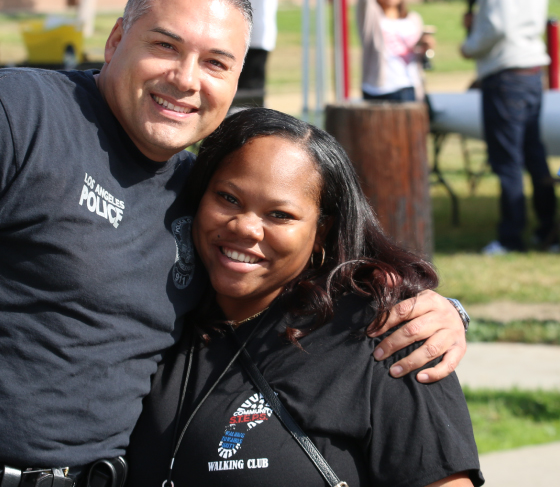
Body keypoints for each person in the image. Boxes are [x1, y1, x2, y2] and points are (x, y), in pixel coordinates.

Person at [0, 0, 468, 487]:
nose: (186, 78)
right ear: (117, 38)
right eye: (165, 46)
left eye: (216, 63)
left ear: (236, 81)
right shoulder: (14, 113)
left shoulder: (201, 198)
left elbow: (293, 278)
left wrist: (437, 310)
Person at [127, 108, 482, 487]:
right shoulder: (154, 314)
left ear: (321, 232)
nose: (246, 227)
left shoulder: (387, 334)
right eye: (228, 198)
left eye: (279, 214)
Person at [460, 0, 557, 255]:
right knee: (534, 155)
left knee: (507, 160)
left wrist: (470, 46)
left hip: (506, 73)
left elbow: (497, 25)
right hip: (532, 70)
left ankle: (510, 237)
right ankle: (548, 231)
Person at [357, 0, 433, 102]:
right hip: (380, 90)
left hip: (410, 87)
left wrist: (425, 48)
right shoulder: (372, 17)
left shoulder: (413, 19)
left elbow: (414, 57)